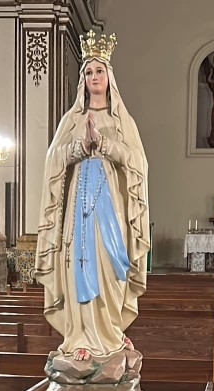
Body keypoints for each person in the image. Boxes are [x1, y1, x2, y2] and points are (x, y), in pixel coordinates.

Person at [34, 31, 150, 364]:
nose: (94, 77)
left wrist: (106, 145)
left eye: (99, 71)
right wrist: (81, 145)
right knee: (78, 264)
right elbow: (53, 160)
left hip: (111, 207)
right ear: (83, 79)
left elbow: (139, 162)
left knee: (109, 267)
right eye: (88, 72)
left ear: (109, 77)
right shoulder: (71, 120)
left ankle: (111, 332)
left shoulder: (121, 120)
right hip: (78, 208)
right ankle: (81, 335)